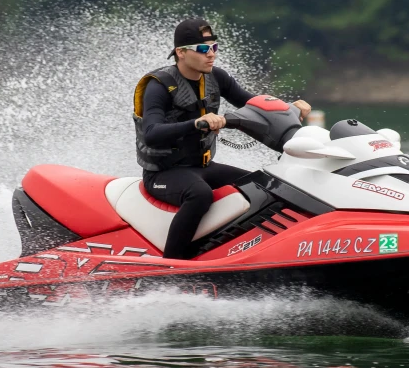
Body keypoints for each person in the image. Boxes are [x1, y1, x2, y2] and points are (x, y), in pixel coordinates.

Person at [132, 18, 311, 259]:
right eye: (204, 49)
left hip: (203, 167)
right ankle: (172, 266)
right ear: (181, 53)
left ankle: (241, 251)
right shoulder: (160, 86)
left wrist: (289, 108)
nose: (212, 55)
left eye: (214, 48)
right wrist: (197, 123)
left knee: (264, 186)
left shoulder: (216, 78)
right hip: (163, 174)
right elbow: (152, 134)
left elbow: (257, 106)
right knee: (200, 194)